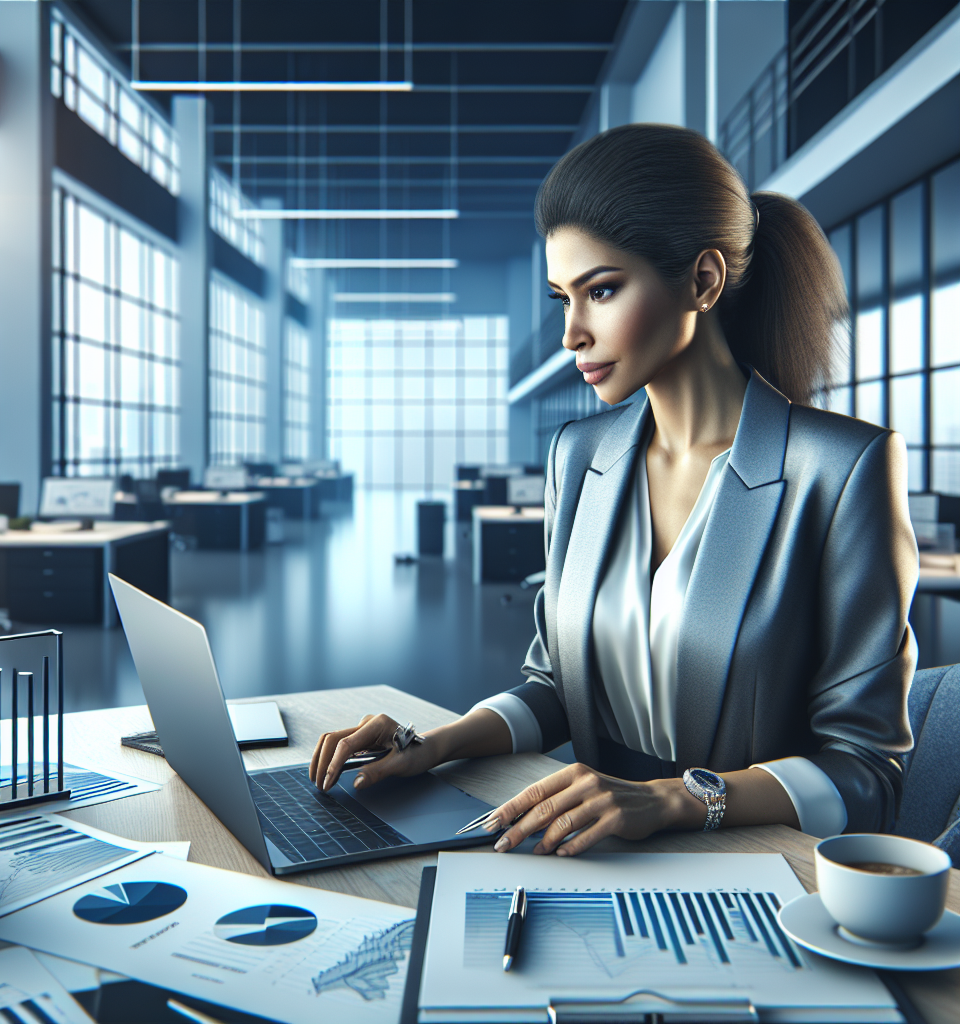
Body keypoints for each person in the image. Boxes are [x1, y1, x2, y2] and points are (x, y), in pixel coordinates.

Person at [310, 124, 918, 857]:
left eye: (601, 291)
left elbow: (867, 774)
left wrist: (674, 800)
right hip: (589, 851)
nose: (571, 333)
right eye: (562, 297)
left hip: (758, 870)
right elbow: (556, 688)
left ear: (703, 281)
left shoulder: (841, 469)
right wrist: (431, 744)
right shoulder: (581, 455)